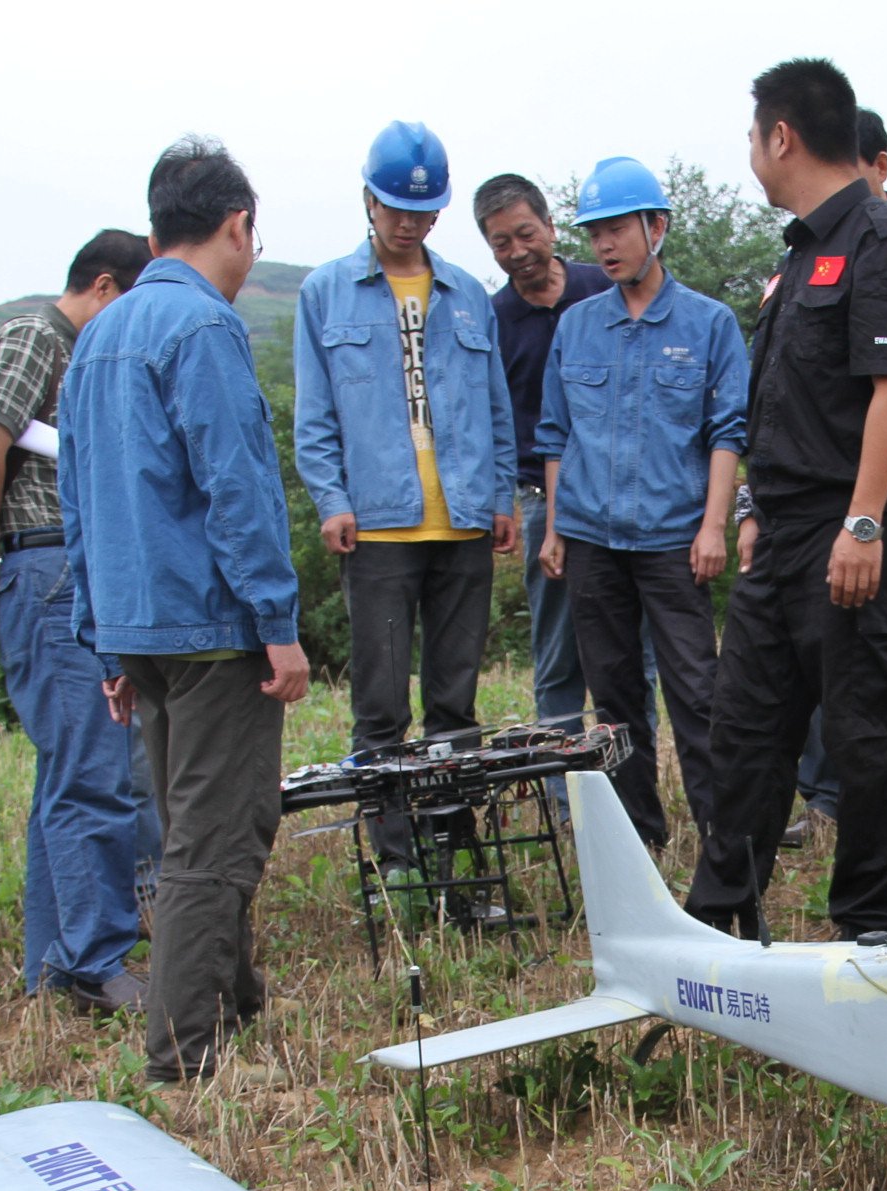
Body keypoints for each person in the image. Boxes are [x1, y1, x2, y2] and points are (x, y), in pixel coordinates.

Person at [684, 58, 887, 941]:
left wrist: (865, 522)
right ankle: (722, 923)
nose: (752, 155)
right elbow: (789, 403)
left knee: (864, 736)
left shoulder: (884, 242)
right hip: (789, 536)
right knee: (746, 730)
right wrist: (758, 509)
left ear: (782, 136)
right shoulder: (803, 252)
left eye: (753, 138)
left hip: (857, 530)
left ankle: (869, 925)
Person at [59, 138, 308, 1087]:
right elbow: (236, 487)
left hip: (137, 627)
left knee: (192, 823)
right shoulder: (201, 330)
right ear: (238, 225)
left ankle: (237, 1005)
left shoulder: (102, 334)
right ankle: (184, 1057)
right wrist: (277, 625)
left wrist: (103, 640)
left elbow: (78, 500)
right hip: (210, 628)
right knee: (216, 840)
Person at [294, 121, 518, 886]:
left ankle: (453, 849)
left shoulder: (466, 296)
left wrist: (500, 494)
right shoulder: (325, 291)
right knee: (381, 706)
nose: (408, 223)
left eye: (423, 212)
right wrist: (331, 498)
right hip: (379, 530)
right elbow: (315, 413)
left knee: (455, 703)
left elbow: (496, 405)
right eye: (395, 208)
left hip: (461, 524)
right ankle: (397, 865)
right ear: (368, 200)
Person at [0, 228, 158, 1016]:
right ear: (105, 289)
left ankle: (55, 959)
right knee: (94, 775)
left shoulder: (69, 348)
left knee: (67, 777)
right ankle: (92, 959)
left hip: (65, 568)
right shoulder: (33, 335)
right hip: (41, 565)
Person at [534, 157, 747, 850]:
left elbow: (727, 434)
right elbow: (556, 433)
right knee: (616, 700)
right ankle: (638, 838)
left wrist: (714, 526)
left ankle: (726, 836)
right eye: (594, 232)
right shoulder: (576, 327)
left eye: (617, 228)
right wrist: (558, 528)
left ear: (656, 226)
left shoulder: (709, 325)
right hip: (592, 537)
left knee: (697, 691)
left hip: (672, 537)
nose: (604, 244)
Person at [789, 104, 887, 843]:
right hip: (827, 509)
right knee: (834, 675)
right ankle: (827, 797)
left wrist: (866, 518)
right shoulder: (806, 253)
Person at [477, 173, 612, 747]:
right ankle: (561, 796)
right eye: (501, 243)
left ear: (551, 226)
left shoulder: (602, 286)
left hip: (620, 497)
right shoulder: (493, 319)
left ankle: (627, 790)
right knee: (557, 653)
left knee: (626, 653)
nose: (517, 252)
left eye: (526, 234)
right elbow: (490, 417)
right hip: (543, 504)